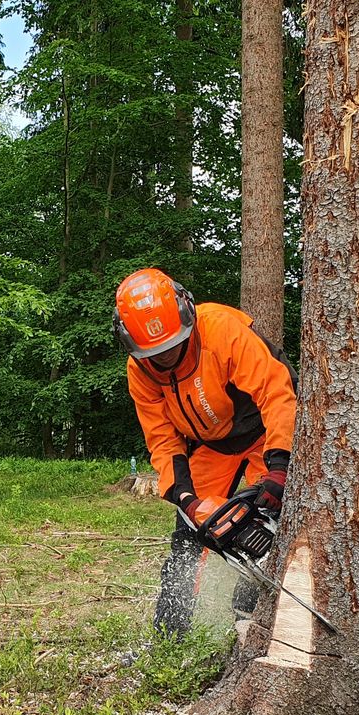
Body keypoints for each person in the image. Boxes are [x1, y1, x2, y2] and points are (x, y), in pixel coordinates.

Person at [114, 268, 299, 633]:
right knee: (188, 534)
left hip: (264, 431)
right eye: (155, 353)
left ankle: (250, 621)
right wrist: (186, 498)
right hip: (211, 446)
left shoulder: (223, 331)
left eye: (172, 347)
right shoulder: (140, 371)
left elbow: (277, 393)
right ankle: (169, 635)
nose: (165, 359)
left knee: (269, 518)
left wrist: (280, 467)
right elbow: (162, 440)